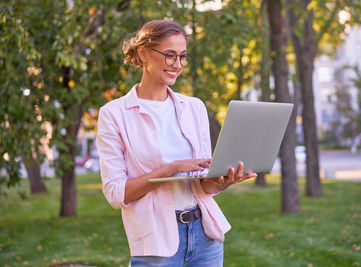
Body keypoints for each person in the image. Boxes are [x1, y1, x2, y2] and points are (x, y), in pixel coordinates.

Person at [96, 19, 257, 267]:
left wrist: (223, 181)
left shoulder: (194, 107)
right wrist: (171, 169)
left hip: (205, 237)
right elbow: (116, 193)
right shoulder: (114, 114)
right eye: (170, 56)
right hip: (157, 243)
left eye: (182, 56)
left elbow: (202, 184)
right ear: (143, 53)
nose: (178, 65)